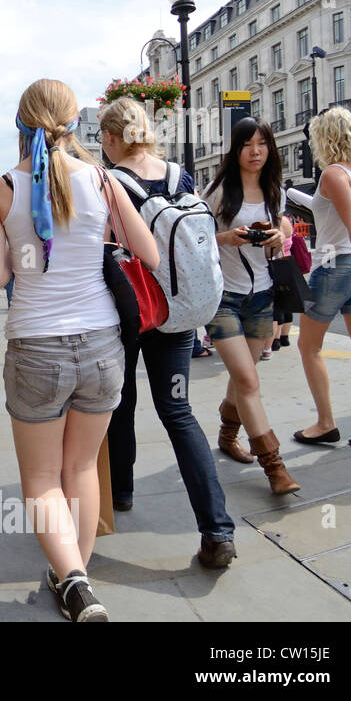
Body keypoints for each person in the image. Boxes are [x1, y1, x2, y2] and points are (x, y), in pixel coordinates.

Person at [0, 79, 157, 622]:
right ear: (75, 125)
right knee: (81, 468)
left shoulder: (1, 190)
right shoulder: (102, 180)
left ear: (20, 124)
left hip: (35, 346)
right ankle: (76, 578)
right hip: (103, 342)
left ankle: (74, 581)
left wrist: (18, 249)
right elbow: (144, 248)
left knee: (40, 479)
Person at [98, 97, 236, 568]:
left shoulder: (112, 181)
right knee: (178, 412)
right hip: (178, 313)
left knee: (121, 403)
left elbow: (105, 244)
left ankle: (121, 491)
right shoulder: (180, 174)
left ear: (113, 137)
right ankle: (217, 531)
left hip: (131, 309)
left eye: (103, 137)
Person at [202, 117, 300, 494]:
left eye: (262, 144)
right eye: (247, 144)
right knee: (248, 379)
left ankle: (228, 435)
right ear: (236, 149)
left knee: (243, 378)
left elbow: (283, 230)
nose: (256, 151)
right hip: (223, 298)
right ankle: (274, 467)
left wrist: (281, 233)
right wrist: (227, 237)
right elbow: (196, 238)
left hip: (262, 296)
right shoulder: (218, 191)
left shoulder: (275, 190)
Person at [293, 107, 351, 454]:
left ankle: (325, 424)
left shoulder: (331, 174)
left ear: (323, 137)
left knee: (308, 346)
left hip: (333, 266)